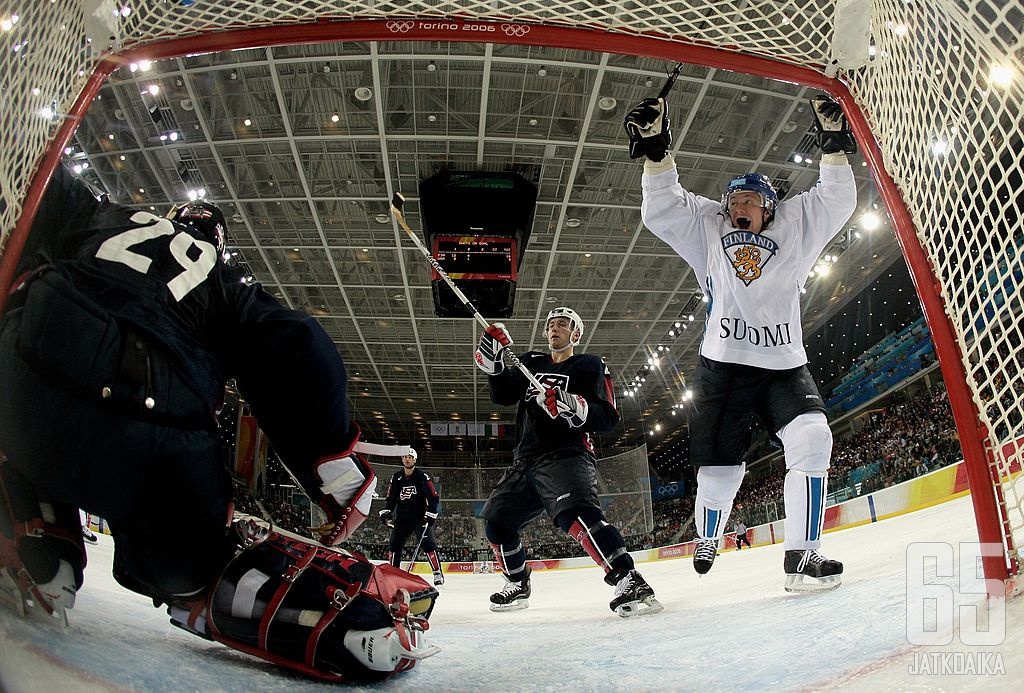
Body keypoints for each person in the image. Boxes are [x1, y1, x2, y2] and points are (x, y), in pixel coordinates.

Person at [0, 162, 438, 681]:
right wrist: (334, 465)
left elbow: (32, 186)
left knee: (21, 418)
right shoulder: (223, 280)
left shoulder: (107, 216)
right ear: (218, 244)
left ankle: (40, 534)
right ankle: (346, 626)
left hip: (33, 363)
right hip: (160, 425)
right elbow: (299, 346)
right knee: (192, 581)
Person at [624, 93, 858, 592]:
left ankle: (803, 557)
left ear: (770, 205)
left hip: (784, 365)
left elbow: (836, 198)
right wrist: (655, 150)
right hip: (724, 367)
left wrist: (834, 146)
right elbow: (662, 208)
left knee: (813, 439)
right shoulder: (710, 226)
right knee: (718, 469)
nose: (738, 208)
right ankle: (707, 536)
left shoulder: (797, 223)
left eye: (748, 201)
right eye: (733, 202)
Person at [473, 307, 661, 617]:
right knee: (497, 523)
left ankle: (628, 578)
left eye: (563, 324)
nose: (554, 329)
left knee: (577, 515)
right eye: (551, 325)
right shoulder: (530, 362)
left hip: (566, 454)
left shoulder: (589, 365)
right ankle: (518, 582)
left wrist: (575, 405)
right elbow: (503, 394)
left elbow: (606, 417)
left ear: (576, 334)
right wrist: (494, 365)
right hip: (525, 459)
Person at [379, 447, 445, 586]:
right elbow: (391, 498)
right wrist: (387, 512)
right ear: (402, 459)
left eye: (410, 457)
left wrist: (430, 514)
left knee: (429, 544)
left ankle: (437, 573)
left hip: (420, 517)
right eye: (404, 457)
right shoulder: (397, 477)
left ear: (414, 459)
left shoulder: (421, 476)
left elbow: (433, 497)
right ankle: (393, 573)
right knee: (394, 545)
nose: (407, 459)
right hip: (402, 517)